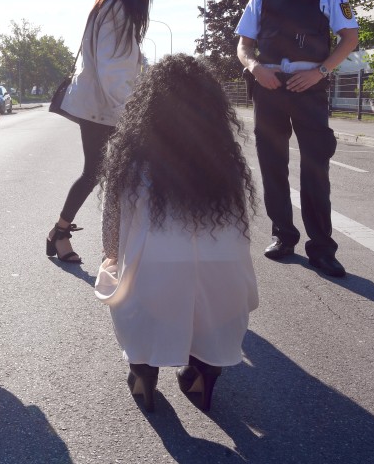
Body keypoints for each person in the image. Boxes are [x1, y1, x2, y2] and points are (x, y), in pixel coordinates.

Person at [94, 55, 259, 413]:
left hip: (154, 287)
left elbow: (112, 234)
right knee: (205, 289)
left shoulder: (130, 156)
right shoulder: (225, 160)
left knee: (119, 275)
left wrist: (112, 258)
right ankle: (205, 368)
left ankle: (143, 367)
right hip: (225, 292)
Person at [236, 0, 359, 278]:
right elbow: (244, 45)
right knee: (272, 166)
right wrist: (255, 68)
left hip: (310, 87)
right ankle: (283, 236)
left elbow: (349, 37)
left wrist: (320, 71)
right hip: (270, 87)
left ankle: (322, 248)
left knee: (315, 168)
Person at [46, 0, 159, 264]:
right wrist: (133, 114)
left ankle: (67, 234)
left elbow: (120, 64)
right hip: (104, 107)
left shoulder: (110, 5)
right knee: (101, 172)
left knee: (103, 173)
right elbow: (112, 71)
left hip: (102, 106)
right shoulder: (117, 9)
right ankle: (67, 234)